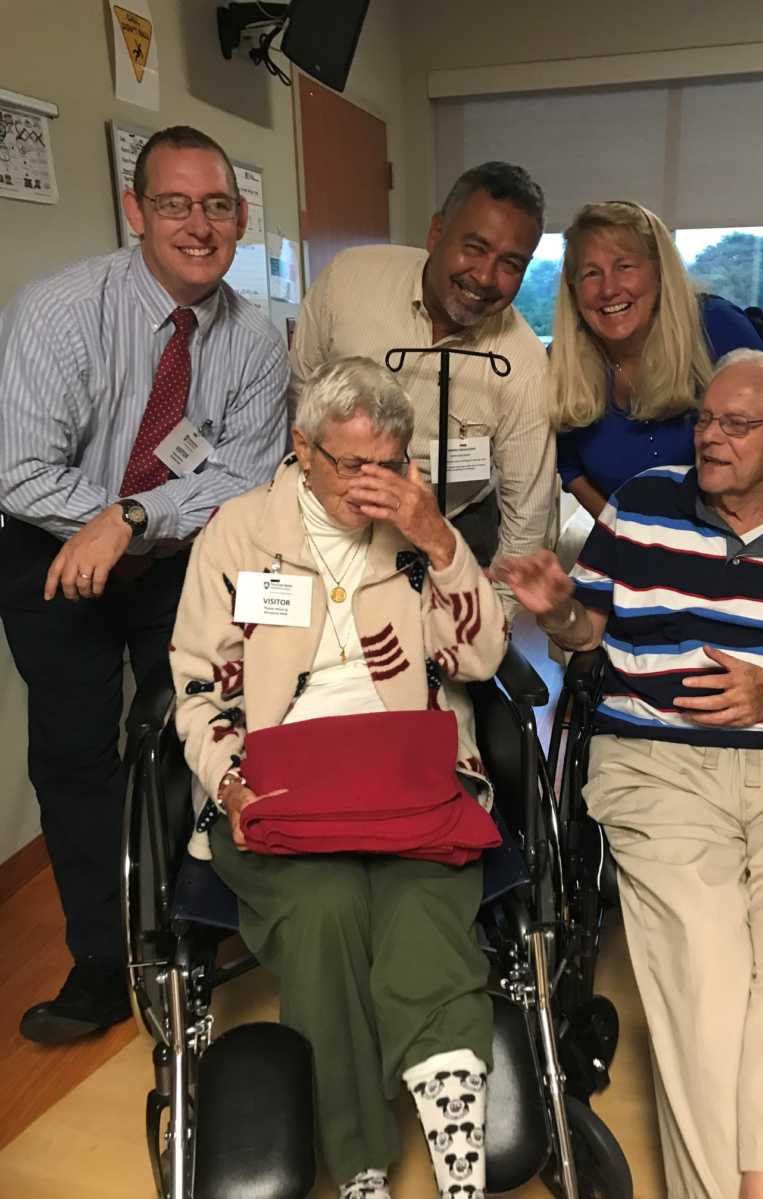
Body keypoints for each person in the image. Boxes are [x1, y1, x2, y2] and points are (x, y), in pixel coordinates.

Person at [495, 350, 763, 1199]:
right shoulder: (645, 507)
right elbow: (588, 632)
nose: (711, 437)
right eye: (705, 419)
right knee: (705, 971)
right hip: (660, 762)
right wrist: (559, 609)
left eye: (737, 424)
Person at [170, 357, 506, 1199]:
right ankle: (358, 1158)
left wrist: (437, 535)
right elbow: (199, 685)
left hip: (411, 765)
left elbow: (482, 656)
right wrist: (233, 784)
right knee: (323, 907)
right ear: (301, 448)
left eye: (389, 463)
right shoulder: (241, 531)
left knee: (418, 895)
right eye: (351, 463)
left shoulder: (426, 531)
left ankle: (456, 1130)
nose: (373, 484)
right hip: (279, 775)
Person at [0, 125, 290, 1043]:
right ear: (136, 210)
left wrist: (131, 518)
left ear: (240, 218)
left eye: (216, 206)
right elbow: (17, 468)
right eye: (174, 203)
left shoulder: (256, 340)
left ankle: (192, 929)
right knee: (76, 751)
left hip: (176, 556)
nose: (197, 225)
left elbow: (244, 478)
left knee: (196, 725)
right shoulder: (57, 310)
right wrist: (103, 519)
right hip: (48, 547)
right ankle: (98, 960)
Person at [291, 161, 556, 613]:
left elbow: (526, 519)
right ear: (436, 233)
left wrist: (493, 625)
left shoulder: (524, 365)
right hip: (332, 517)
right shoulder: (347, 283)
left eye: (510, 263)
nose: (485, 277)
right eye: (474, 247)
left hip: (452, 526)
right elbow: (302, 397)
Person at [551, 201, 763, 523]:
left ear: (659, 272)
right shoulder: (562, 364)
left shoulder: (716, 327)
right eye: (591, 273)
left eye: (624, 267)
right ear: (573, 289)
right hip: (638, 556)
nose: (609, 289)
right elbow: (570, 469)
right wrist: (621, 534)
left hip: (743, 545)